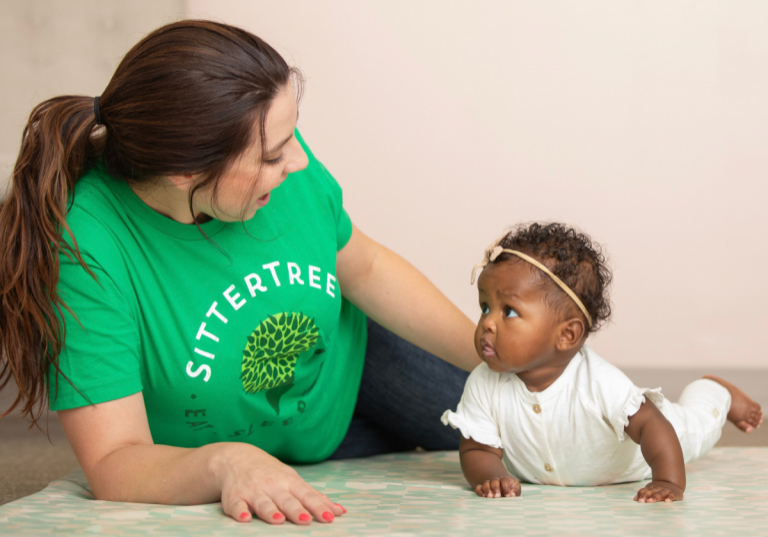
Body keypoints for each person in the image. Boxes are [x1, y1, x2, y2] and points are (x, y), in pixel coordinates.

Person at [0, 20, 480, 525]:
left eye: (291, 135)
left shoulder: (267, 141)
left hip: (352, 369)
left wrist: (490, 355)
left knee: (540, 436)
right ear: (185, 170)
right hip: (246, 443)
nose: (297, 160)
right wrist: (228, 461)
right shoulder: (86, 246)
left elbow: (366, 268)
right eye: (272, 155)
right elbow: (115, 461)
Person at [442, 222, 763, 502]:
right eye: (485, 307)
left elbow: (653, 424)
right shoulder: (483, 383)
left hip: (652, 448)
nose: (488, 323)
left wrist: (667, 480)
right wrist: (491, 476)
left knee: (698, 425)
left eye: (508, 311)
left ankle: (715, 391)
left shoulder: (598, 383)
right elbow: (477, 450)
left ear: (567, 335)